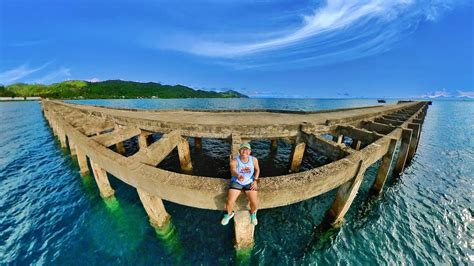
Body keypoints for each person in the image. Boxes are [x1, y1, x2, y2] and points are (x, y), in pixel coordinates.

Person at [221, 142, 260, 226]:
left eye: (247, 149)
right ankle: (229, 214)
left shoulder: (254, 160)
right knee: (229, 201)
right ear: (239, 151)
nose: (245, 151)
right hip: (237, 182)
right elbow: (233, 171)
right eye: (243, 149)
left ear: (250, 151)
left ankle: (253, 214)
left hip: (250, 181)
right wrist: (238, 175)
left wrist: (255, 180)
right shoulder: (234, 161)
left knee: (254, 202)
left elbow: (257, 170)